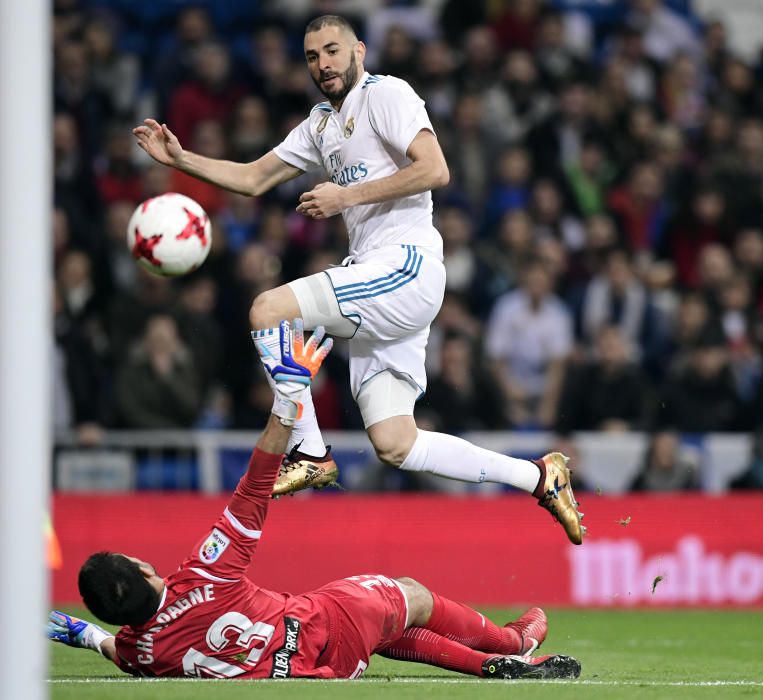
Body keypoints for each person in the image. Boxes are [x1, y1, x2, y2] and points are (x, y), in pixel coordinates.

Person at [133, 14, 584, 544]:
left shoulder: (387, 94)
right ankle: (539, 476)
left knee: (267, 311)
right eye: (311, 56)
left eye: (331, 51)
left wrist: (344, 196)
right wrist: (181, 159)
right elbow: (254, 178)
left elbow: (435, 169)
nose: (322, 64)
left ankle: (309, 451)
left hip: (405, 265)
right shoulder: (320, 124)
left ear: (359, 51)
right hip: (377, 277)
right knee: (396, 443)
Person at [47, 320, 581, 680]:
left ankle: (492, 662)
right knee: (408, 594)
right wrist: (288, 400)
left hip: (319, 672)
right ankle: (509, 647)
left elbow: (120, 652)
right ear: (144, 568)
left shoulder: (144, 653)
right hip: (323, 625)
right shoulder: (202, 575)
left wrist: (84, 634)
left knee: (384, 626)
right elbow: (255, 485)